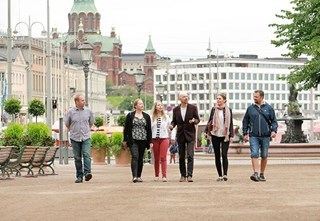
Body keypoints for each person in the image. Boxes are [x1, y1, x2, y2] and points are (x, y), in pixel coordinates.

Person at [242, 90, 278, 182]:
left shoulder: (269, 108)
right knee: (254, 153)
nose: (254, 98)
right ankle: (256, 173)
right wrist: (245, 133)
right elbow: (245, 121)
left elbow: (274, 121)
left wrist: (274, 131)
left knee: (264, 155)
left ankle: (262, 174)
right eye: (254, 96)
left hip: (266, 136)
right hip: (253, 135)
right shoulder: (250, 108)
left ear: (261, 97)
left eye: (256, 97)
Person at [169, 91, 200, 182]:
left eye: (187, 96)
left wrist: (194, 121)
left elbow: (197, 119)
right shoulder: (176, 109)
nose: (186, 98)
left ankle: (189, 175)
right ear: (180, 98)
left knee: (190, 155)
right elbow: (174, 121)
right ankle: (183, 175)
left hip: (190, 134)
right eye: (184, 97)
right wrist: (171, 125)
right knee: (181, 156)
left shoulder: (193, 108)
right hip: (181, 135)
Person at [64, 94, 94, 183]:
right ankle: (79, 176)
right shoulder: (70, 112)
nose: (84, 101)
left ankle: (87, 173)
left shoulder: (88, 111)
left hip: (86, 137)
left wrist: (86, 130)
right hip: (75, 137)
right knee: (77, 158)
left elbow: (91, 123)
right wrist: (73, 130)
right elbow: (67, 124)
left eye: (84, 100)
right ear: (77, 102)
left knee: (86, 155)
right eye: (82, 100)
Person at [205, 93, 233, 181]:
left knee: (224, 154)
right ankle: (220, 175)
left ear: (224, 100)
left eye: (220, 98)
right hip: (215, 134)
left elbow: (230, 123)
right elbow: (210, 120)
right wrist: (206, 131)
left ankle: (225, 174)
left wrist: (231, 134)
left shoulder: (228, 110)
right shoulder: (214, 109)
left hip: (225, 135)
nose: (218, 100)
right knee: (217, 155)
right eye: (217, 98)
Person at [123, 98, 152, 183]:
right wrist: (125, 140)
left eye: (142, 104)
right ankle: (134, 176)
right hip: (133, 139)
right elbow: (126, 128)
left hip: (143, 139)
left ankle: (139, 176)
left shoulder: (146, 116)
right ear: (135, 106)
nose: (142, 105)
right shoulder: (130, 115)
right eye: (140, 104)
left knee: (140, 158)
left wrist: (150, 141)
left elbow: (149, 130)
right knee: (135, 156)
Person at [151, 100, 171, 182]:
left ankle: (164, 175)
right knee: (156, 158)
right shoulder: (151, 117)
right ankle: (156, 174)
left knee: (163, 157)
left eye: (161, 105)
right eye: (158, 105)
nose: (160, 106)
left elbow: (171, 127)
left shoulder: (166, 117)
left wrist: (172, 136)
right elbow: (149, 129)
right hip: (155, 139)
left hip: (164, 138)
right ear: (155, 107)